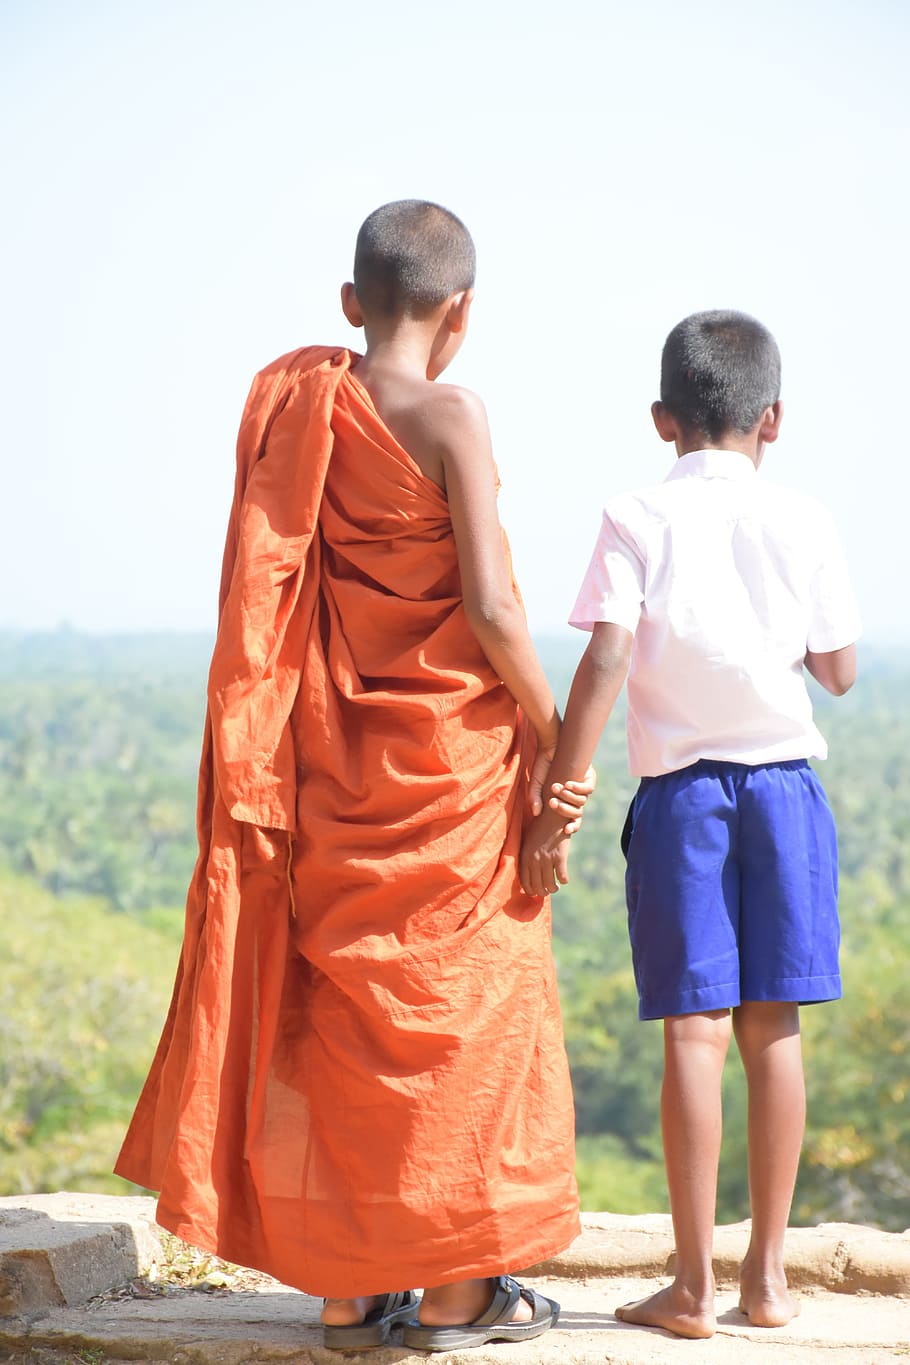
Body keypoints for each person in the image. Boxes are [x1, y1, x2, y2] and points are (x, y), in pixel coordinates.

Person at [116, 200, 588, 1353]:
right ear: (462, 312)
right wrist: (558, 722)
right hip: (451, 768)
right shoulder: (454, 412)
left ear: (348, 303)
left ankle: (341, 1294)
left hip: (331, 766)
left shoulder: (305, 407)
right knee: (460, 1019)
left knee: (343, 1011)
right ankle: (454, 1294)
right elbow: (489, 605)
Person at [519, 309, 861, 1340]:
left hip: (681, 800)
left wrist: (556, 799)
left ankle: (691, 1288)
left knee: (694, 1033)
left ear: (662, 419)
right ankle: (766, 1280)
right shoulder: (804, 518)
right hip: (785, 792)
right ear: (775, 418)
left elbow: (607, 660)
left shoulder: (633, 516)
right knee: (775, 1029)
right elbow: (839, 670)